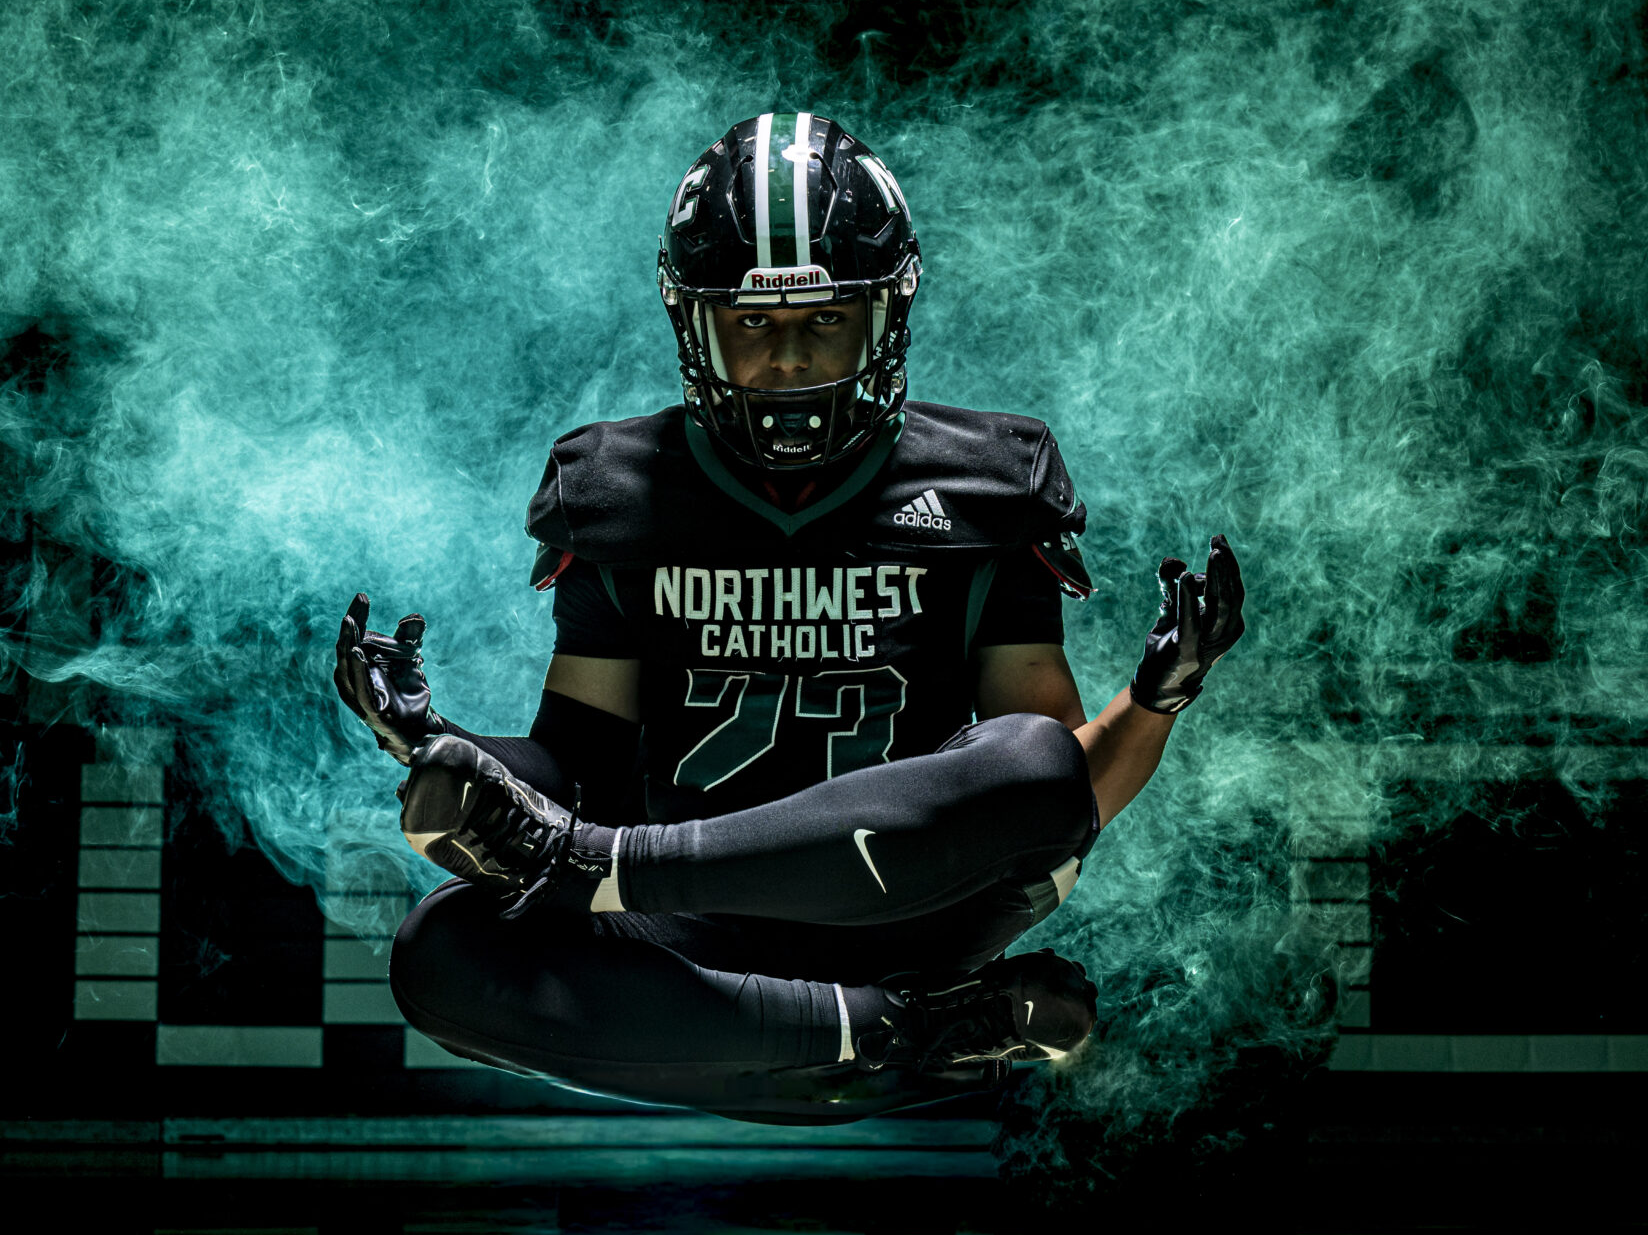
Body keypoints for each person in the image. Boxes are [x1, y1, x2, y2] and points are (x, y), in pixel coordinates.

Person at [333, 111, 1244, 1119]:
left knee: (1030, 756)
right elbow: (576, 766)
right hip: (700, 947)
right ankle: (905, 1031)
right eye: (754, 325)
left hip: (909, 913)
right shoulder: (623, 490)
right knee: (441, 949)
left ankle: (798, 988)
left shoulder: (983, 484)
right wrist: (432, 742)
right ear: (695, 320)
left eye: (824, 322)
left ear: (886, 312)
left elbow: (1053, 798)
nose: (788, 362)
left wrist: (1156, 698)